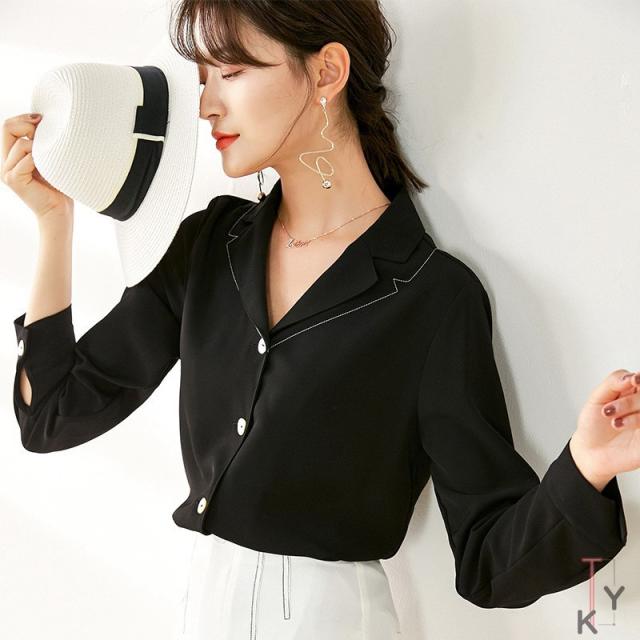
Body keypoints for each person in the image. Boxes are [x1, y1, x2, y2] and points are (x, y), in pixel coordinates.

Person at [2, 2, 635, 639]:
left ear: (327, 71)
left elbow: (488, 559)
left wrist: (587, 465)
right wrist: (53, 224)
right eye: (203, 79)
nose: (207, 106)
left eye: (232, 72)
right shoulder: (209, 246)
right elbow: (52, 412)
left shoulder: (430, 297)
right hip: (203, 613)